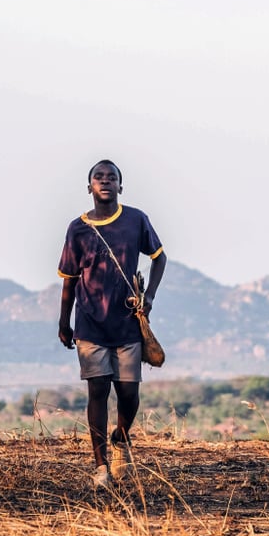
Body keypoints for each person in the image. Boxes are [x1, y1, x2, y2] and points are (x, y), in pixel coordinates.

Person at [57, 159, 167, 489]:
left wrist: (150, 298)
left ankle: (121, 438)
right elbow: (70, 280)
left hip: (127, 322)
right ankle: (102, 466)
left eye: (111, 177)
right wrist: (64, 322)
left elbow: (159, 257)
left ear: (121, 185)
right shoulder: (77, 228)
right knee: (97, 391)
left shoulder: (136, 220)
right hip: (89, 323)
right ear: (89, 186)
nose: (105, 181)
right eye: (98, 177)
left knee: (129, 393)